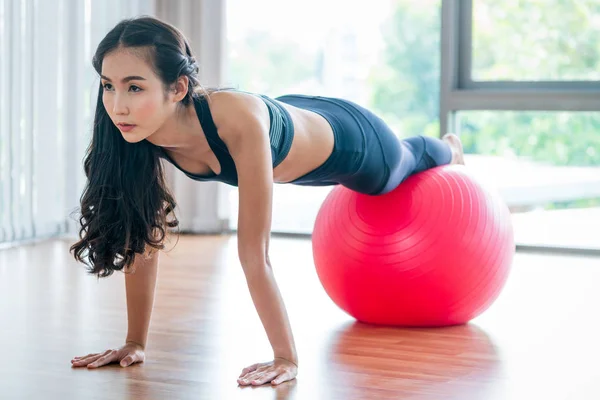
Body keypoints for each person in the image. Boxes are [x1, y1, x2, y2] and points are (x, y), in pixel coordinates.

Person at [69, 16, 465, 387]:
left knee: (396, 170)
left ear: (178, 88)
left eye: (134, 87)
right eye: (108, 85)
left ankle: (448, 148)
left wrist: (285, 357)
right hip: (292, 117)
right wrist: (135, 342)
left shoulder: (236, 120)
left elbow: (254, 254)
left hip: (349, 141)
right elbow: (141, 238)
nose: (117, 104)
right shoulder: (137, 130)